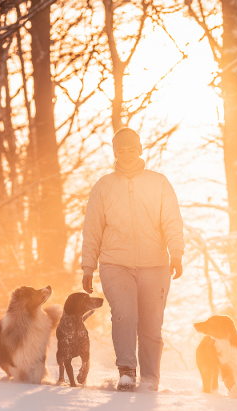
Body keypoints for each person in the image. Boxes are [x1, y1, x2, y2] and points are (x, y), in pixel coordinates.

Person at [81, 128, 184, 392]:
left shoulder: (159, 183)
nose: (126, 155)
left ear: (139, 150)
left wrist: (176, 254)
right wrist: (88, 266)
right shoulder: (103, 186)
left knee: (151, 323)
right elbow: (92, 229)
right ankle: (126, 372)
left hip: (156, 265)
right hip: (115, 263)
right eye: (121, 151)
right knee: (124, 314)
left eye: (131, 149)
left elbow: (172, 221)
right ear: (115, 153)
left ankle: (150, 378)